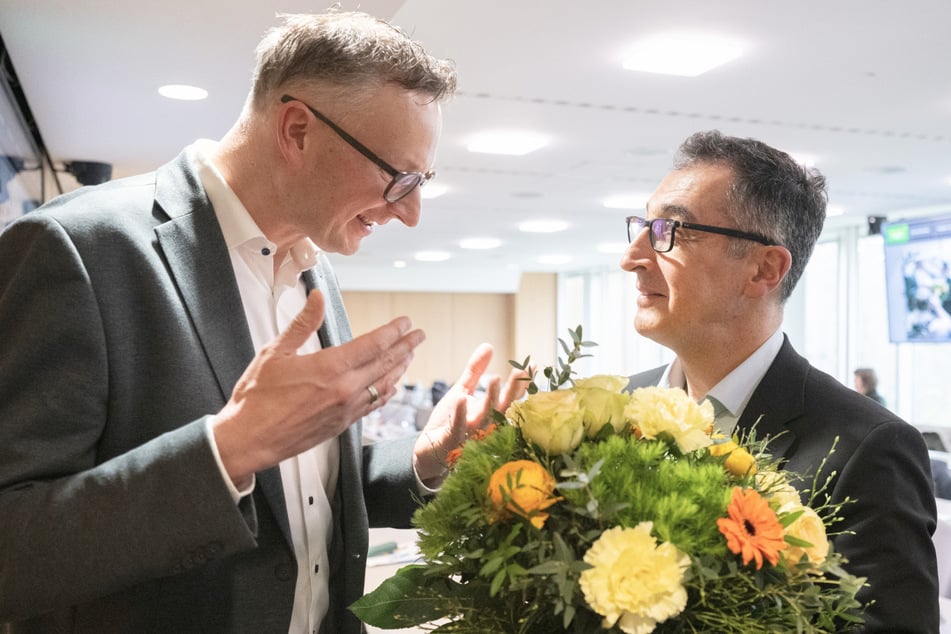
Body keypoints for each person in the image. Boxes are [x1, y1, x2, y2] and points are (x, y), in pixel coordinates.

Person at [0, 11, 526, 634]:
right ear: (298, 130)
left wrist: (427, 455)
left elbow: (304, 491)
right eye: (397, 177)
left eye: (421, 182)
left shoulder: (312, 265)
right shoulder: (78, 249)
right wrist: (227, 451)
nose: (410, 212)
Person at [622, 131, 938, 632]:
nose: (634, 257)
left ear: (764, 269)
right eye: (641, 226)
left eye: (670, 231)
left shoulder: (866, 449)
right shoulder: (620, 408)